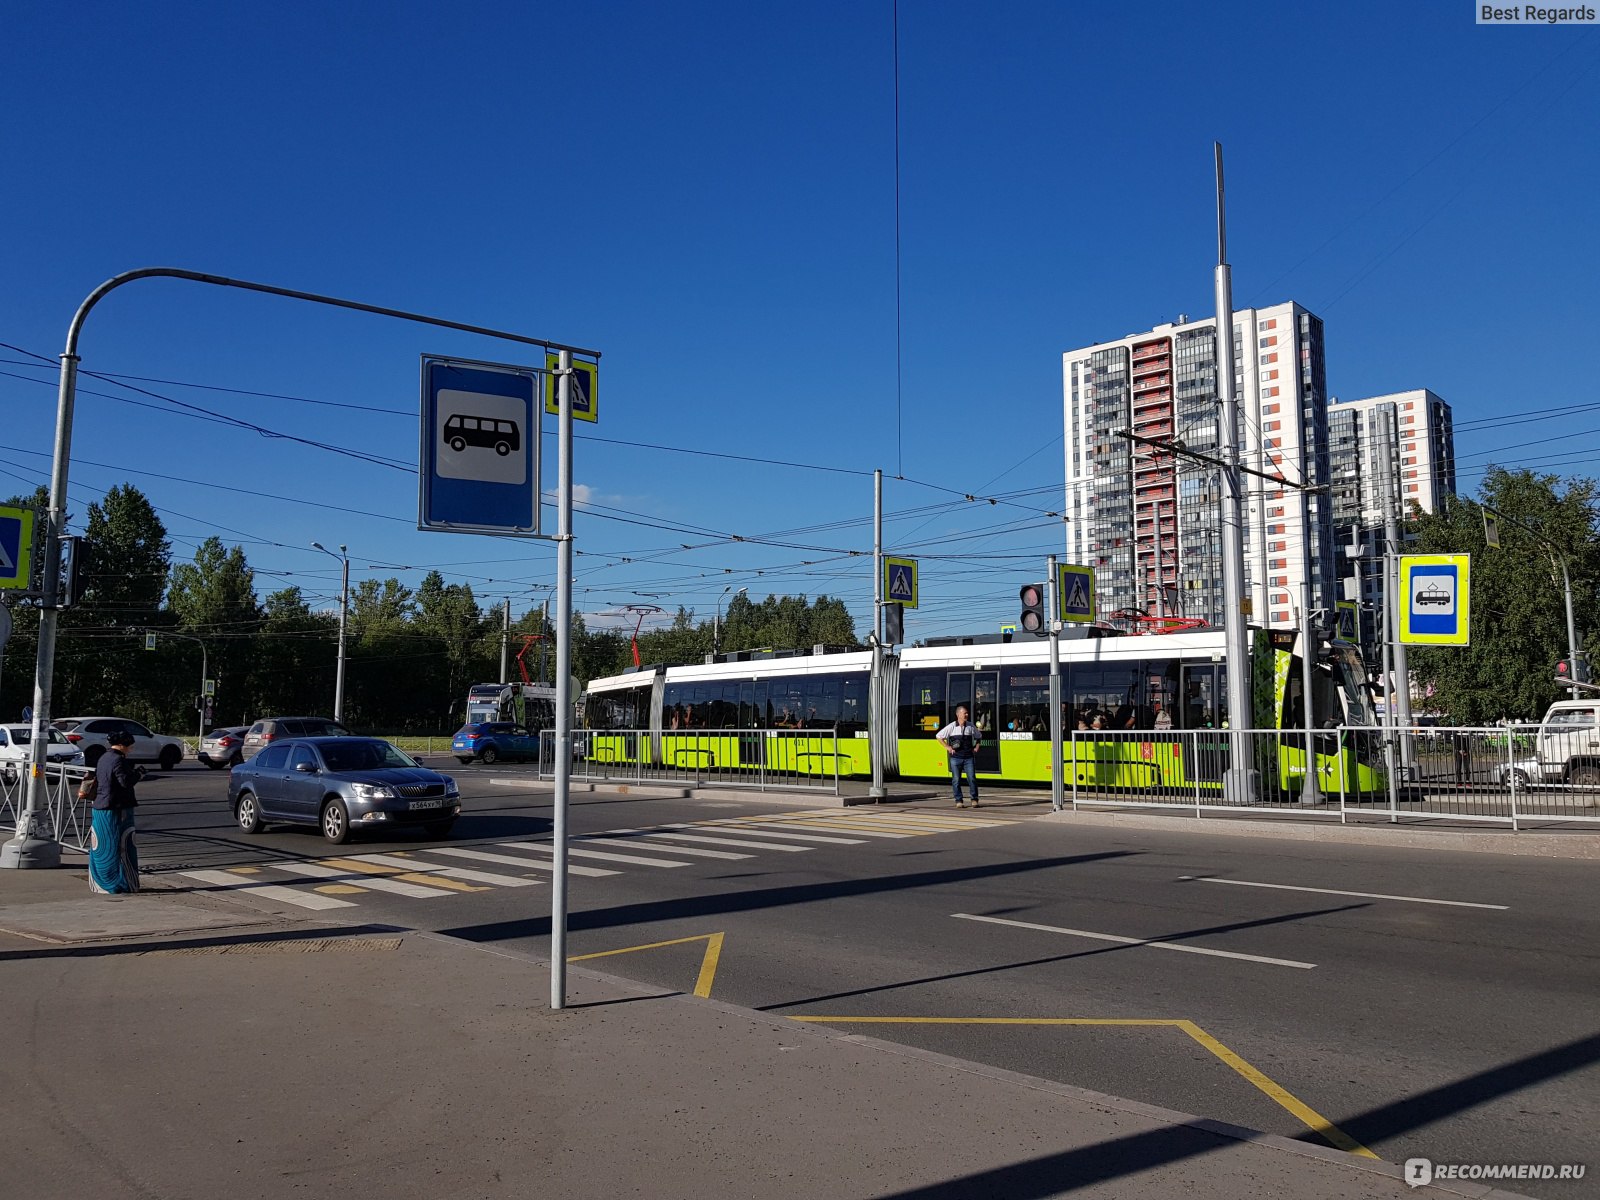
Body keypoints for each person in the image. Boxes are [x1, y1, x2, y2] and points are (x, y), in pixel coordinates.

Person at [86, 731, 141, 894]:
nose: (131, 749)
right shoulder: (118, 760)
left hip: (100, 807)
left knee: (101, 846)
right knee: (118, 845)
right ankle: (118, 883)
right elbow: (125, 782)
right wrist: (138, 774)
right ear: (123, 745)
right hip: (115, 809)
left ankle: (99, 883)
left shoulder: (104, 757)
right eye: (130, 746)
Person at [936, 704, 982, 808]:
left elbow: (979, 736)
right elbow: (938, 736)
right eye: (964, 713)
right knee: (956, 780)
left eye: (967, 713)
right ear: (958, 714)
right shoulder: (951, 727)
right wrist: (947, 747)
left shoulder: (970, 726)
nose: (966, 714)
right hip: (956, 758)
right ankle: (959, 800)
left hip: (969, 757)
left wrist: (977, 746)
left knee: (972, 779)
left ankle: (974, 799)